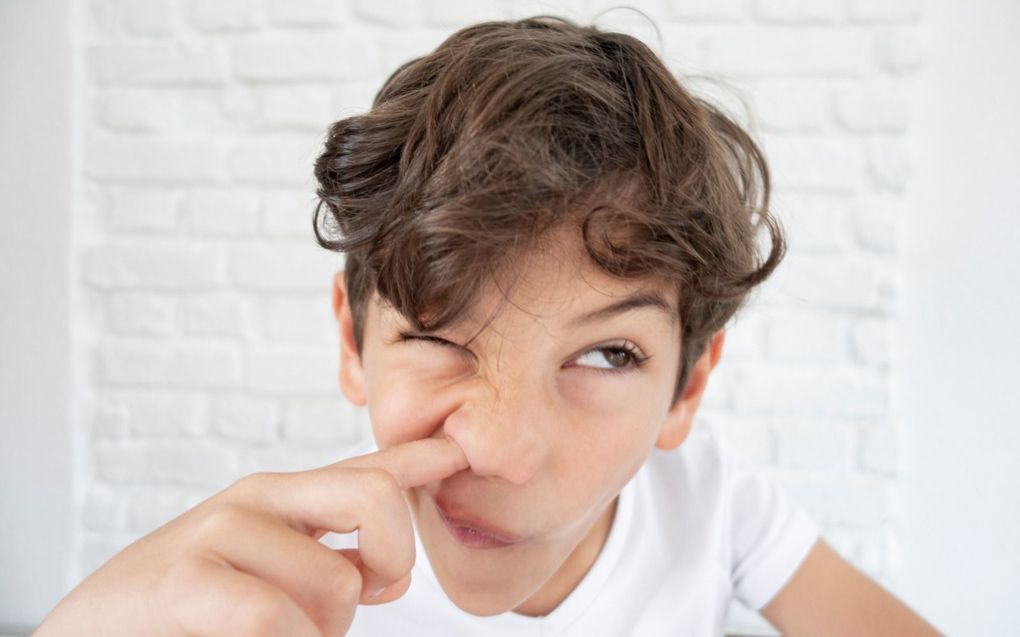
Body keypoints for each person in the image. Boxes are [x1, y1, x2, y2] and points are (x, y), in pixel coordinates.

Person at [34, 14, 943, 637]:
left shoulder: (710, 500)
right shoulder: (290, 584)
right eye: (434, 332)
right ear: (355, 344)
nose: (502, 450)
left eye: (606, 353)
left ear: (687, 386)